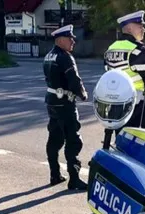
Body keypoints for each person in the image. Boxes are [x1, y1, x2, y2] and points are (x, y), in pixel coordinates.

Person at [43, 24, 88, 189]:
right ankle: (74, 179)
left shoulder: (48, 56)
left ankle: (54, 174)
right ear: (61, 40)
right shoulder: (65, 57)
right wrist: (83, 94)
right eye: (70, 38)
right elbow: (74, 80)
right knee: (73, 140)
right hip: (65, 104)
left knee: (54, 139)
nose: (73, 41)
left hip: (52, 102)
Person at [104, 10, 145, 132]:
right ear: (130, 28)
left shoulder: (110, 49)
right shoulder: (137, 50)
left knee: (121, 142)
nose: (144, 30)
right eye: (140, 26)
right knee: (140, 145)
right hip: (138, 108)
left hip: (117, 107)